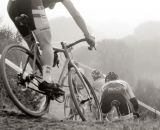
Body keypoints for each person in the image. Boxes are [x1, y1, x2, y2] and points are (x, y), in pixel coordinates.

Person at [7, 0, 95, 96]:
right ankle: (47, 80)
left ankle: (39, 77)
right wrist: (87, 34)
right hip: (32, 2)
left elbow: (51, 5)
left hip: (12, 6)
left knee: (32, 45)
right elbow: (75, 14)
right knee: (46, 44)